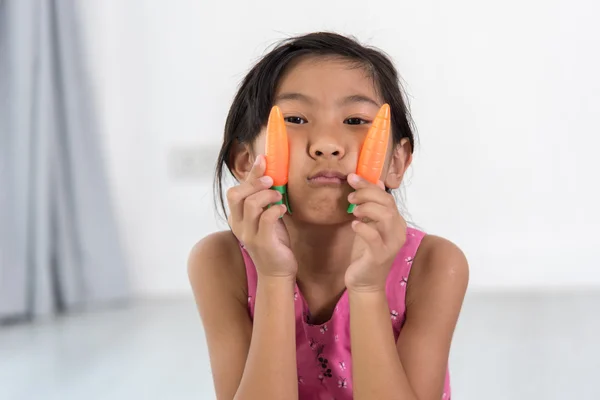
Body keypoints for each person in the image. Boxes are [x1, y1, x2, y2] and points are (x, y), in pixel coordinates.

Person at [188, 32, 469, 400]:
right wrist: (273, 277)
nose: (326, 144)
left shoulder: (435, 266)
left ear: (396, 162)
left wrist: (368, 289)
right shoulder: (220, 262)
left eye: (354, 120)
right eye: (295, 118)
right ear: (244, 161)